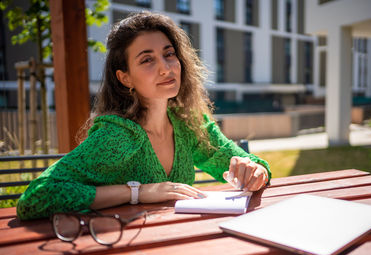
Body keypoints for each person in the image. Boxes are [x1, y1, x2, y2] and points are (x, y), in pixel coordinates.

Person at [17, 11, 271, 220]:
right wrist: (136, 192)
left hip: (177, 242)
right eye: (147, 60)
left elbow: (237, 163)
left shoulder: (188, 122)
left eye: (169, 54)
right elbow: (36, 197)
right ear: (125, 77)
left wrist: (255, 171)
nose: (165, 67)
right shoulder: (118, 135)